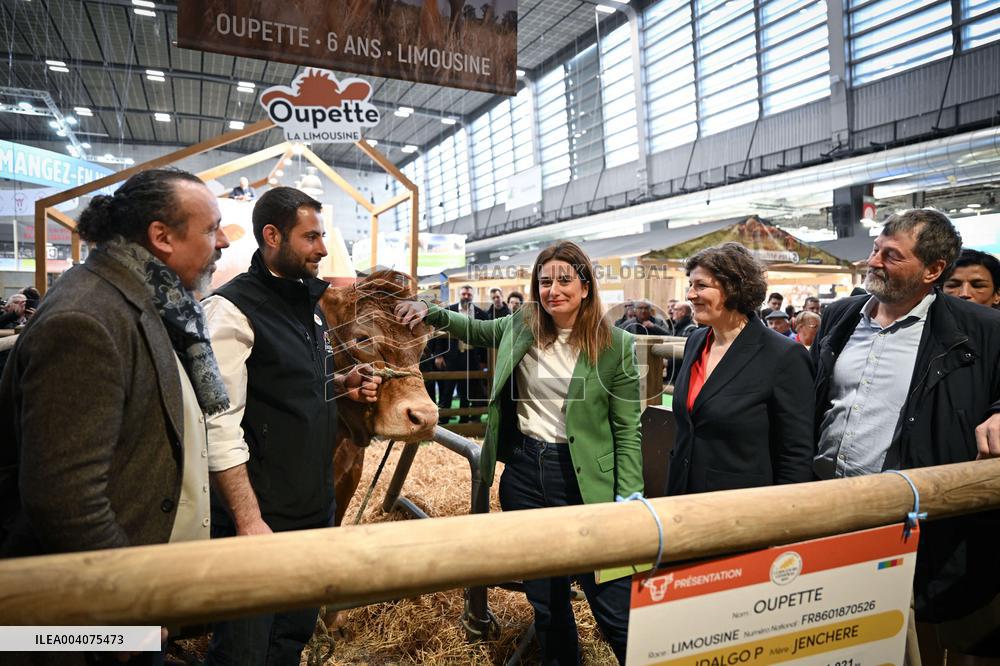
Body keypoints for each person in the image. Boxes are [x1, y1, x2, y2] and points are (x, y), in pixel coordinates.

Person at [396, 240, 643, 665]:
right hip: (526, 473)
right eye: (545, 281)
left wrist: (629, 495)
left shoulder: (614, 344)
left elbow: (626, 427)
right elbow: (473, 330)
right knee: (547, 603)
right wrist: (430, 311)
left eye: (565, 280)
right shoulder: (524, 323)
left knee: (611, 603)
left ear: (586, 286)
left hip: (584, 479)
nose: (553, 290)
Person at [0, 169, 231, 556]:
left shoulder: (156, 301)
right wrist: (131, 601)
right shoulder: (85, 321)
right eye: (212, 229)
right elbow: (68, 504)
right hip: (99, 598)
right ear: (162, 237)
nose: (223, 241)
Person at [811, 209, 1000, 661]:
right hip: (824, 509)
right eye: (876, 248)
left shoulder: (980, 329)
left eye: (891, 256)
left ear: (933, 271)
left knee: (904, 637)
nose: (873, 261)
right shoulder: (839, 317)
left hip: (905, 520)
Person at [202, 187, 379, 666]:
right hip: (259, 520)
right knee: (244, 650)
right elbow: (218, 426)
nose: (322, 249)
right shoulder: (231, 310)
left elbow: (292, 383)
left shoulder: (308, 307)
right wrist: (247, 521)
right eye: (312, 237)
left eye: (321, 237)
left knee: (289, 641)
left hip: (311, 511)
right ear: (272, 236)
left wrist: (343, 383)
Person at [668, 242, 814, 495]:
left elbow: (796, 454)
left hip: (741, 505)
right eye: (690, 285)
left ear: (734, 288)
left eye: (701, 286)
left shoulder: (783, 355)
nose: (690, 295)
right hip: (682, 496)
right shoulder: (695, 342)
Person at [433, 285, 487, 424]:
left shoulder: (480, 313)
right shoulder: (449, 310)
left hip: (471, 356)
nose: (466, 296)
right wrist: (439, 355)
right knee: (447, 389)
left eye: (469, 294)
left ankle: (464, 420)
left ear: (472, 295)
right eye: (464, 294)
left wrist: (484, 360)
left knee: (467, 390)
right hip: (451, 356)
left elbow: (485, 338)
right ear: (459, 294)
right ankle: (443, 420)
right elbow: (439, 334)